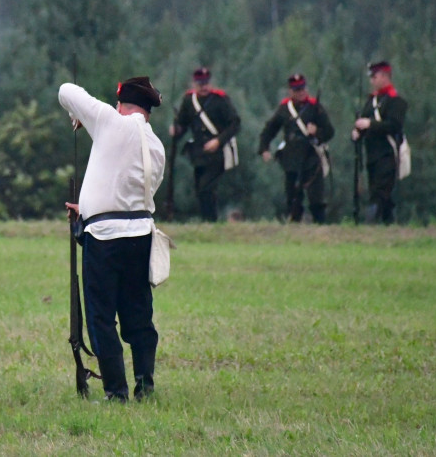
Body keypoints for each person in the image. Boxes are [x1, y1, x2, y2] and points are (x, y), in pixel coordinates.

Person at [59, 76, 165, 402]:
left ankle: (116, 394)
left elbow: (66, 90)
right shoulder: (156, 148)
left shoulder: (108, 121)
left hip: (104, 239)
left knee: (101, 317)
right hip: (140, 237)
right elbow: (132, 197)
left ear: (121, 105)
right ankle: (144, 387)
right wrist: (90, 206)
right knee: (138, 316)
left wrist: (79, 116)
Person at [258, 73, 335, 223]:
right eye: (296, 90)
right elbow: (270, 129)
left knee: (316, 198)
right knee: (293, 198)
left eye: (302, 88)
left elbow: (329, 132)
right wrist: (264, 148)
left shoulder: (315, 107)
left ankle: (321, 227)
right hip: (291, 158)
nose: (300, 92)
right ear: (290, 91)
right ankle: (294, 225)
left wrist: (317, 132)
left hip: (312, 156)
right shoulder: (284, 108)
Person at [170, 67, 241, 221]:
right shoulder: (189, 100)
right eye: (200, 83)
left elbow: (235, 124)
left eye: (206, 83)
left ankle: (210, 220)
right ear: (194, 83)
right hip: (199, 153)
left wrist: (218, 141)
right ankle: (207, 220)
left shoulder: (220, 100)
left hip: (219, 153)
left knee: (206, 187)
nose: (204, 86)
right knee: (200, 189)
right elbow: (183, 122)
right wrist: (177, 131)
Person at [352, 61, 408, 223]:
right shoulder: (371, 102)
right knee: (381, 195)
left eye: (374, 77)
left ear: (384, 76)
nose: (372, 81)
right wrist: (357, 132)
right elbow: (363, 122)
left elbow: (394, 125)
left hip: (387, 154)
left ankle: (370, 225)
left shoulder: (396, 102)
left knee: (379, 193)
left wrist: (370, 124)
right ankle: (388, 225)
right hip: (372, 154)